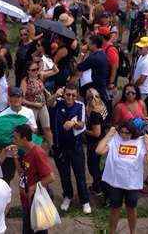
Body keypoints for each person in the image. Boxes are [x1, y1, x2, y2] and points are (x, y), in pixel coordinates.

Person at [96, 123, 148, 234]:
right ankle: (112, 232)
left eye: (127, 133)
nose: (124, 135)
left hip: (132, 184)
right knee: (114, 209)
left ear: (133, 132)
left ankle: (133, 231)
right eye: (121, 132)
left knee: (131, 209)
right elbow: (99, 150)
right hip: (115, 182)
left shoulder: (141, 141)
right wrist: (109, 134)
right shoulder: (115, 139)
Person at [48, 83, 90, 214]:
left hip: (75, 146)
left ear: (76, 95)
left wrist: (74, 123)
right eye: (67, 94)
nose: (70, 97)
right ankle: (68, 196)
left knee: (80, 175)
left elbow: (82, 123)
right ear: (63, 93)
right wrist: (56, 94)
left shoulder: (80, 106)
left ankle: (85, 201)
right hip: (60, 147)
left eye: (73, 95)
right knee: (64, 174)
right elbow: (49, 103)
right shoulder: (58, 102)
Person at [14, 124, 55, 234]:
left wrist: (33, 187)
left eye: (16, 138)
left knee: (39, 230)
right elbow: (21, 173)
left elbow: (51, 177)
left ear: (24, 138)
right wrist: (15, 157)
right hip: (26, 200)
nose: (14, 140)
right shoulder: (24, 151)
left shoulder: (37, 153)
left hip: (36, 200)